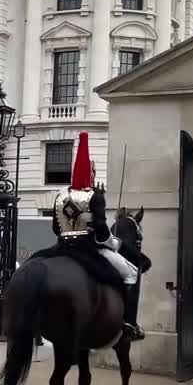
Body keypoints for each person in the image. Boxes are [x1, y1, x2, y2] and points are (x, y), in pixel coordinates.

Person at [51, 132, 143, 341]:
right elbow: (101, 231)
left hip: (62, 248)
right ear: (91, 174)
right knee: (131, 273)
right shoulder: (95, 196)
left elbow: (56, 229)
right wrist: (114, 242)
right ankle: (129, 325)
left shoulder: (61, 195)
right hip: (91, 249)